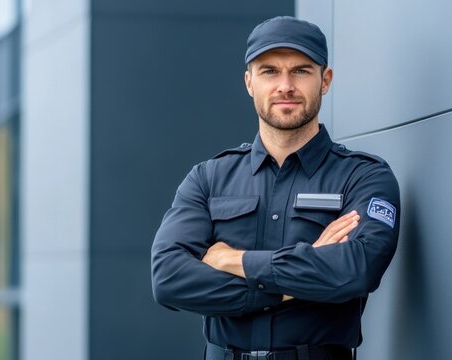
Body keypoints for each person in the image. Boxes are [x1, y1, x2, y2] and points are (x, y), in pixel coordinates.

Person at [150, 16, 400, 360]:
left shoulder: (364, 177)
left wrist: (232, 260)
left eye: (300, 70)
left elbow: (355, 271)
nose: (285, 86)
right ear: (249, 82)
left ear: (325, 80)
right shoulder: (208, 178)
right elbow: (169, 279)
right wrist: (289, 285)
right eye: (269, 71)